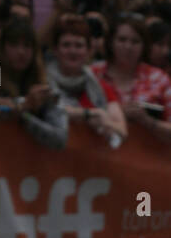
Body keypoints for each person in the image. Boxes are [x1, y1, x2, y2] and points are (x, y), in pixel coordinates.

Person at [0, 17, 68, 148]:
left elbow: (59, 138)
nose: (21, 52)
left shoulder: (41, 80)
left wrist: (25, 116)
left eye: (27, 46)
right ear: (2, 47)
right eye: (14, 45)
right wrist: (24, 105)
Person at [92, 14, 171, 144]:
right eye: (122, 40)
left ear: (144, 46)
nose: (128, 47)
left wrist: (146, 120)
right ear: (110, 42)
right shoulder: (93, 74)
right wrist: (117, 114)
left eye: (135, 41)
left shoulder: (159, 78)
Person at [46, 14, 127, 145]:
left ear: (89, 51)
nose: (72, 51)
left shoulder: (101, 87)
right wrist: (89, 114)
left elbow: (122, 130)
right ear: (55, 50)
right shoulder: (41, 81)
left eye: (79, 46)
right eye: (66, 45)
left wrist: (106, 123)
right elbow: (50, 110)